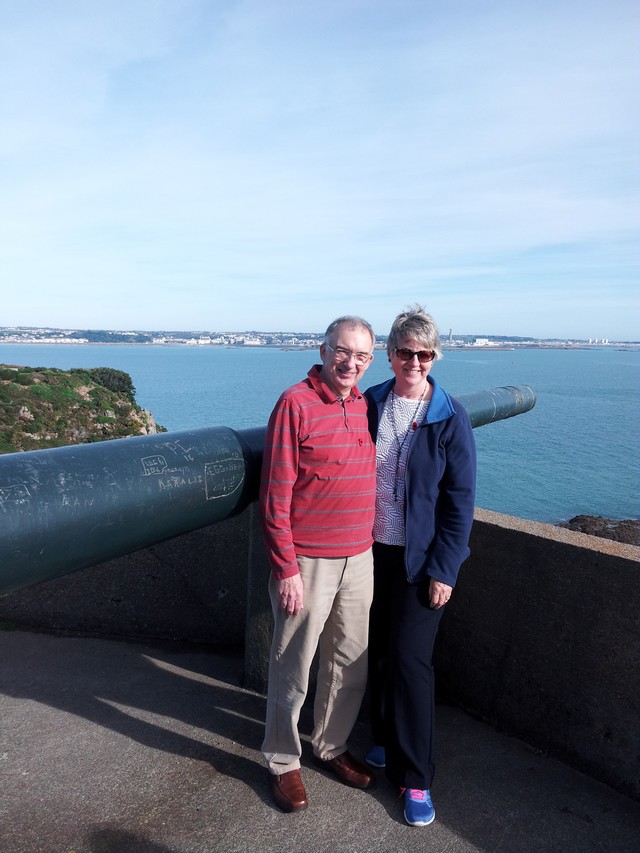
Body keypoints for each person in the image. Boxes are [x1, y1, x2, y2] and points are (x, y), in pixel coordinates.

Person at [259, 315, 378, 813]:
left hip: (359, 555)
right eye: (342, 351)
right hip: (307, 561)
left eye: (362, 355)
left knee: (349, 661)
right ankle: (282, 759)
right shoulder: (296, 402)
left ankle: (330, 745)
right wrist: (286, 567)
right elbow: (276, 494)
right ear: (324, 350)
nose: (351, 363)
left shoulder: (364, 404)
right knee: (293, 665)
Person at [364, 305, 476, 827]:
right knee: (375, 652)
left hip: (419, 560)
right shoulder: (370, 402)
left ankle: (416, 777)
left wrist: (444, 570)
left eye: (424, 354)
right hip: (367, 552)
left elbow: (460, 500)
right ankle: (383, 736)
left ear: (435, 357)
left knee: (410, 662)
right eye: (405, 352)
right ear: (389, 354)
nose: (414, 361)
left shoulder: (450, 416)